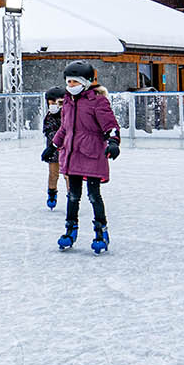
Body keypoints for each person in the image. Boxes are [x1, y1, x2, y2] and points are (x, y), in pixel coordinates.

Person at [52, 61, 119, 254]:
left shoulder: (98, 101)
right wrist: (54, 146)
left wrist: (113, 141)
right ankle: (70, 231)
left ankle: (101, 232)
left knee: (93, 195)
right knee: (72, 196)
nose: (70, 85)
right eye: (68, 81)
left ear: (86, 82)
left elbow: (110, 125)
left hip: (92, 155)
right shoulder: (67, 102)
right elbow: (64, 128)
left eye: (74, 82)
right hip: (72, 156)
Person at [40, 86, 65, 209]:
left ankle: (72, 196)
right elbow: (47, 130)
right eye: (50, 103)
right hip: (53, 151)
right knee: (53, 174)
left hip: (67, 151)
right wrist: (54, 139)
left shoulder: (67, 115)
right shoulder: (49, 116)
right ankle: (52, 193)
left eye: (55, 103)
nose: (53, 105)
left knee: (68, 175)